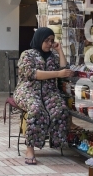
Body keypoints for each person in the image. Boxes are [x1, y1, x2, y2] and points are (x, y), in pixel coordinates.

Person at [13, 27, 74, 165]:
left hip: (48, 92)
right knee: (36, 110)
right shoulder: (27, 55)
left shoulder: (53, 57)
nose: (49, 43)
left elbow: (64, 69)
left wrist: (59, 50)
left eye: (51, 41)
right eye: (46, 40)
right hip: (27, 91)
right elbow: (33, 74)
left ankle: (57, 142)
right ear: (39, 39)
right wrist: (58, 74)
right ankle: (30, 150)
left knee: (61, 109)